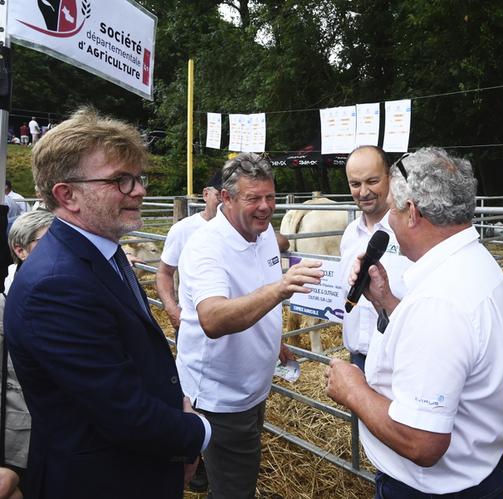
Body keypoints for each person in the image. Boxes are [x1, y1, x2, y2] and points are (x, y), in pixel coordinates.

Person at [3, 107, 211, 499]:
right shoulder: (56, 284)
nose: (140, 190)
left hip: (134, 465)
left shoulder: (104, 251)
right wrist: (198, 432)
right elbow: (121, 411)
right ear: (68, 195)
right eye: (121, 180)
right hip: (102, 480)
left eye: (138, 177)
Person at [326, 147, 503, 498]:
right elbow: (444, 347)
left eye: (394, 211)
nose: (391, 223)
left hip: (428, 489)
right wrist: (386, 301)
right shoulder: (478, 265)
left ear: (411, 212)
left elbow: (422, 442)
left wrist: (352, 390)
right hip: (477, 475)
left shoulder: (439, 301)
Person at [176, 152, 323, 499]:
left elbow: (258, 295)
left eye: (270, 197)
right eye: (253, 198)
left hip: (252, 385)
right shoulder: (206, 246)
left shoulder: (265, 233)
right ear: (225, 198)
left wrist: (274, 340)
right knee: (236, 488)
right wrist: (282, 287)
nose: (265, 206)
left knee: (235, 476)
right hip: (221, 395)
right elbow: (213, 318)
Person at [339, 146, 411, 370]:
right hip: (357, 358)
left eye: (372, 181)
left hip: (399, 359)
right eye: (355, 184)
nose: (363, 192)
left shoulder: (410, 232)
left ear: (389, 178)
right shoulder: (350, 233)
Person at [1, 210, 54, 490]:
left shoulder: (71, 290)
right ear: (20, 250)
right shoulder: (4, 304)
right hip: (24, 437)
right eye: (48, 242)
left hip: (71, 432)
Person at [156, 171, 223, 331]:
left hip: (232, 320)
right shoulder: (182, 229)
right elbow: (164, 273)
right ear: (206, 194)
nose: (224, 201)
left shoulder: (241, 231)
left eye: (231, 196)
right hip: (193, 323)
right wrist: (172, 310)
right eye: (219, 195)